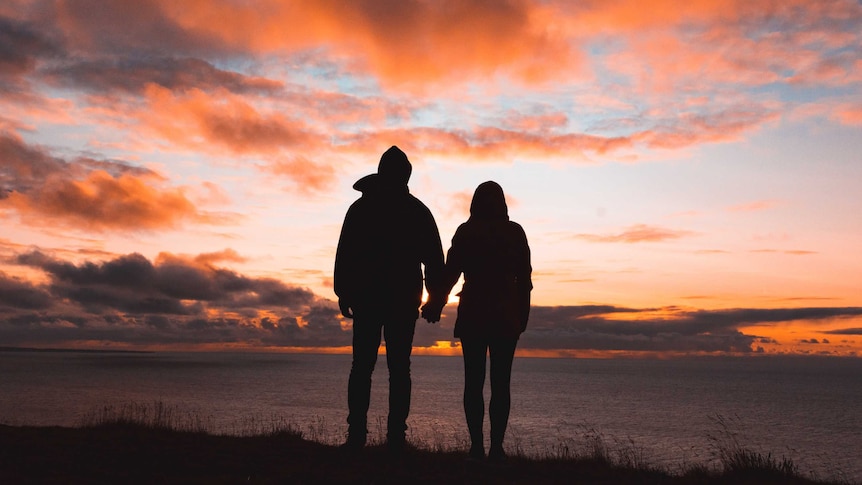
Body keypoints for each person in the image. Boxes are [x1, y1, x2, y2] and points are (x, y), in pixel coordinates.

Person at [334, 146, 445, 454]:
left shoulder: (364, 209)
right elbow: (434, 259)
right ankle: (389, 436)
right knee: (394, 368)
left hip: (378, 298)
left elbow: (346, 254)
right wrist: (435, 299)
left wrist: (344, 291)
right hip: (395, 298)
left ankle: (366, 435)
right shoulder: (414, 210)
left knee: (367, 367)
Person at [422, 181, 532, 462]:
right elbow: (525, 282)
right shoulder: (514, 232)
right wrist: (522, 317)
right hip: (506, 315)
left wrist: (436, 303)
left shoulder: (467, 231)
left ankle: (477, 447)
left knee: (473, 382)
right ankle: (495, 448)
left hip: (474, 313)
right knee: (500, 383)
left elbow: (450, 274)